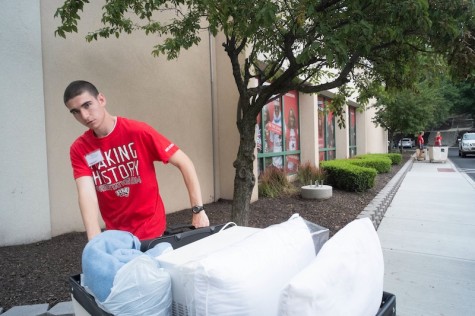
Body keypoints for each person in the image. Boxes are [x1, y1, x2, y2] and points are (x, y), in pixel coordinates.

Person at [64, 80, 209, 241]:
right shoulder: (79, 149)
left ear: (101, 100)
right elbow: (86, 193)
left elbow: (184, 162)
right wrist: (94, 237)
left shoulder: (137, 131)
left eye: (87, 105)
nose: (84, 115)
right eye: (75, 112)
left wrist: (198, 210)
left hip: (152, 231)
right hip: (117, 235)